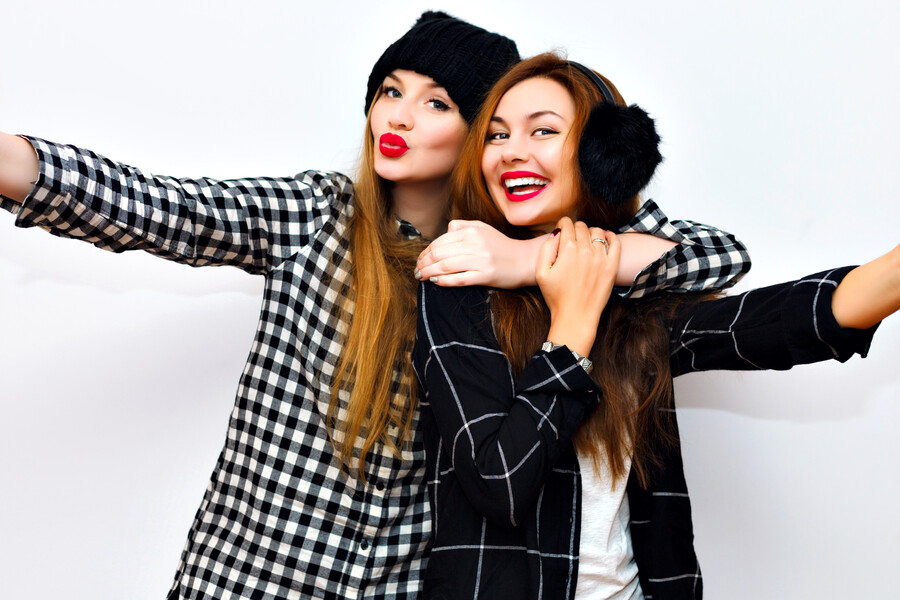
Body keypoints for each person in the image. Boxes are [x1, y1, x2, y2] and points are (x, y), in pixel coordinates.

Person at [0, 14, 751, 600]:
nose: (399, 114)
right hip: (248, 579)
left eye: (436, 102)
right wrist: (16, 164)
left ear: (479, 137)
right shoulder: (316, 216)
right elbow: (165, 209)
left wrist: (525, 258)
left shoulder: (518, 276)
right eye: (390, 90)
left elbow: (713, 253)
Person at [412, 52, 899, 600]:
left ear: (603, 156)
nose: (511, 153)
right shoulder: (457, 285)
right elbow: (500, 481)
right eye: (496, 137)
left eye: (543, 130)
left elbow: (751, 313)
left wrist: (534, 261)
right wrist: (570, 333)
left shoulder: (632, 293)